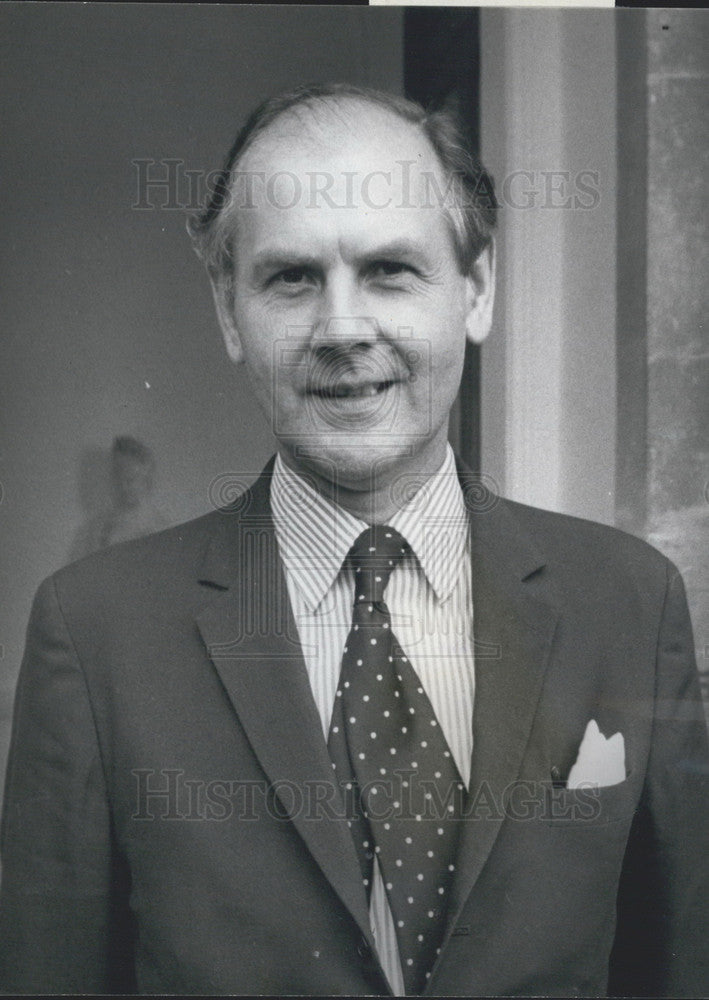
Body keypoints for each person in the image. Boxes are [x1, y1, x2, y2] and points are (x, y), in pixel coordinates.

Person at [1, 83, 707, 996]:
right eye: (292, 278)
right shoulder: (95, 632)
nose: (342, 328)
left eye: (389, 271)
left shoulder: (630, 602)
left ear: (476, 290)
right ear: (229, 312)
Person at [68, 435, 169, 561]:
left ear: (146, 479)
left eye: (131, 479)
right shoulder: (95, 532)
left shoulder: (161, 529)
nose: (123, 486)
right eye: (118, 477)